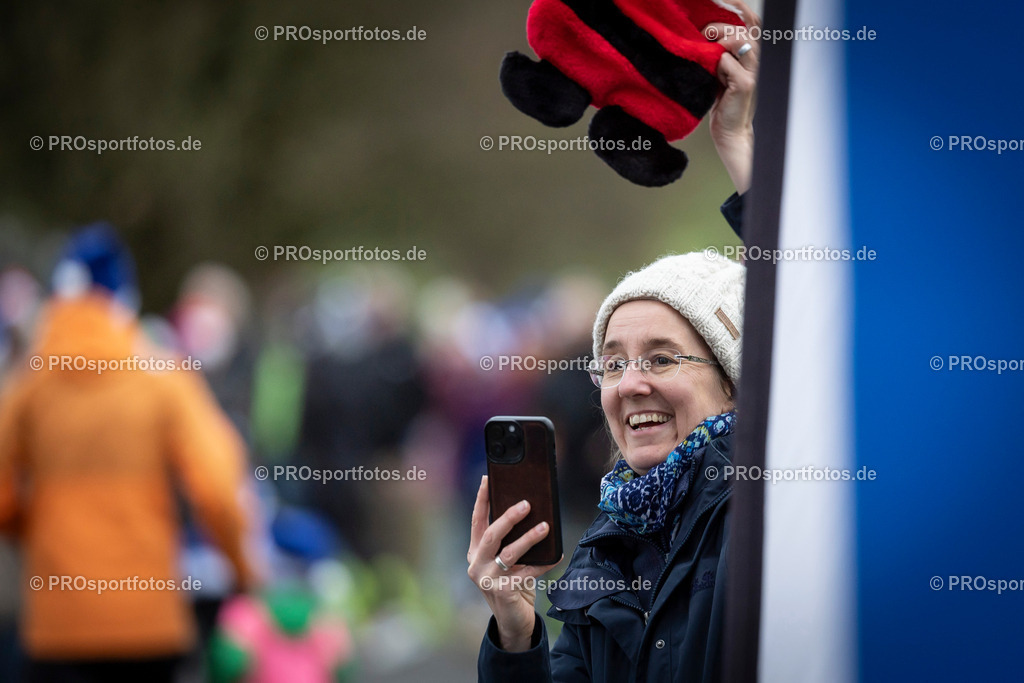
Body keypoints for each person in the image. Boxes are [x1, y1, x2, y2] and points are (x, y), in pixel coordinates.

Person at [468, 4, 760, 680]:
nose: (630, 383)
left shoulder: (769, 505)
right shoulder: (607, 544)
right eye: (612, 363)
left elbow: (824, 318)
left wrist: (743, 151)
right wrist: (516, 631)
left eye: (661, 357)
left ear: (739, 378)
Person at [0, 225, 258, 683]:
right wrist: (243, 572)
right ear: (125, 298)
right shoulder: (163, 380)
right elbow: (221, 490)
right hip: (147, 622)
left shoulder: (27, 387)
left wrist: (37, 529)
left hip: (58, 622)